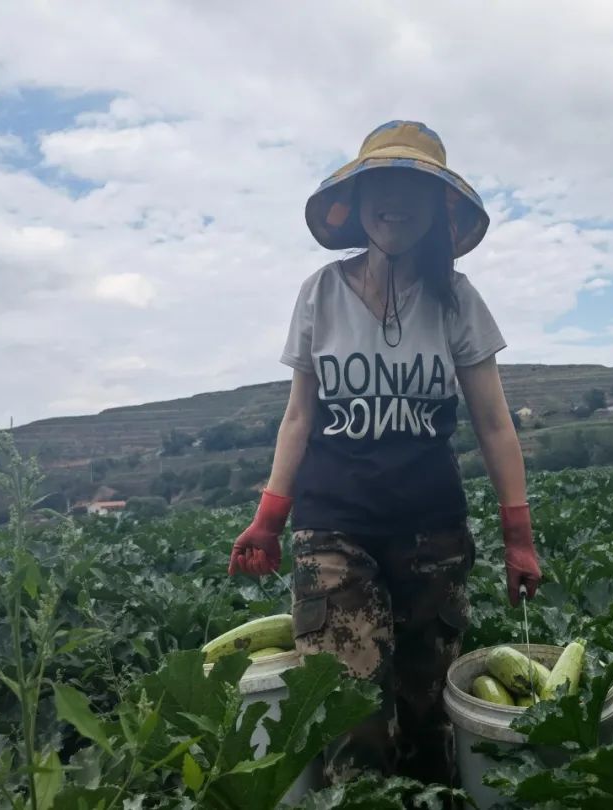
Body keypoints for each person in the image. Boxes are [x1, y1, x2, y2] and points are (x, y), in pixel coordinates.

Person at [227, 120, 541, 791]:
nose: (392, 200)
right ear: (359, 200)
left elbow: (493, 423)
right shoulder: (321, 292)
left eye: (411, 187)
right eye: (379, 185)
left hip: (432, 529)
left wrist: (520, 537)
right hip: (332, 524)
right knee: (350, 712)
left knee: (428, 718)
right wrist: (269, 518)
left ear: (436, 209)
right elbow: (300, 416)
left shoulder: (456, 299)